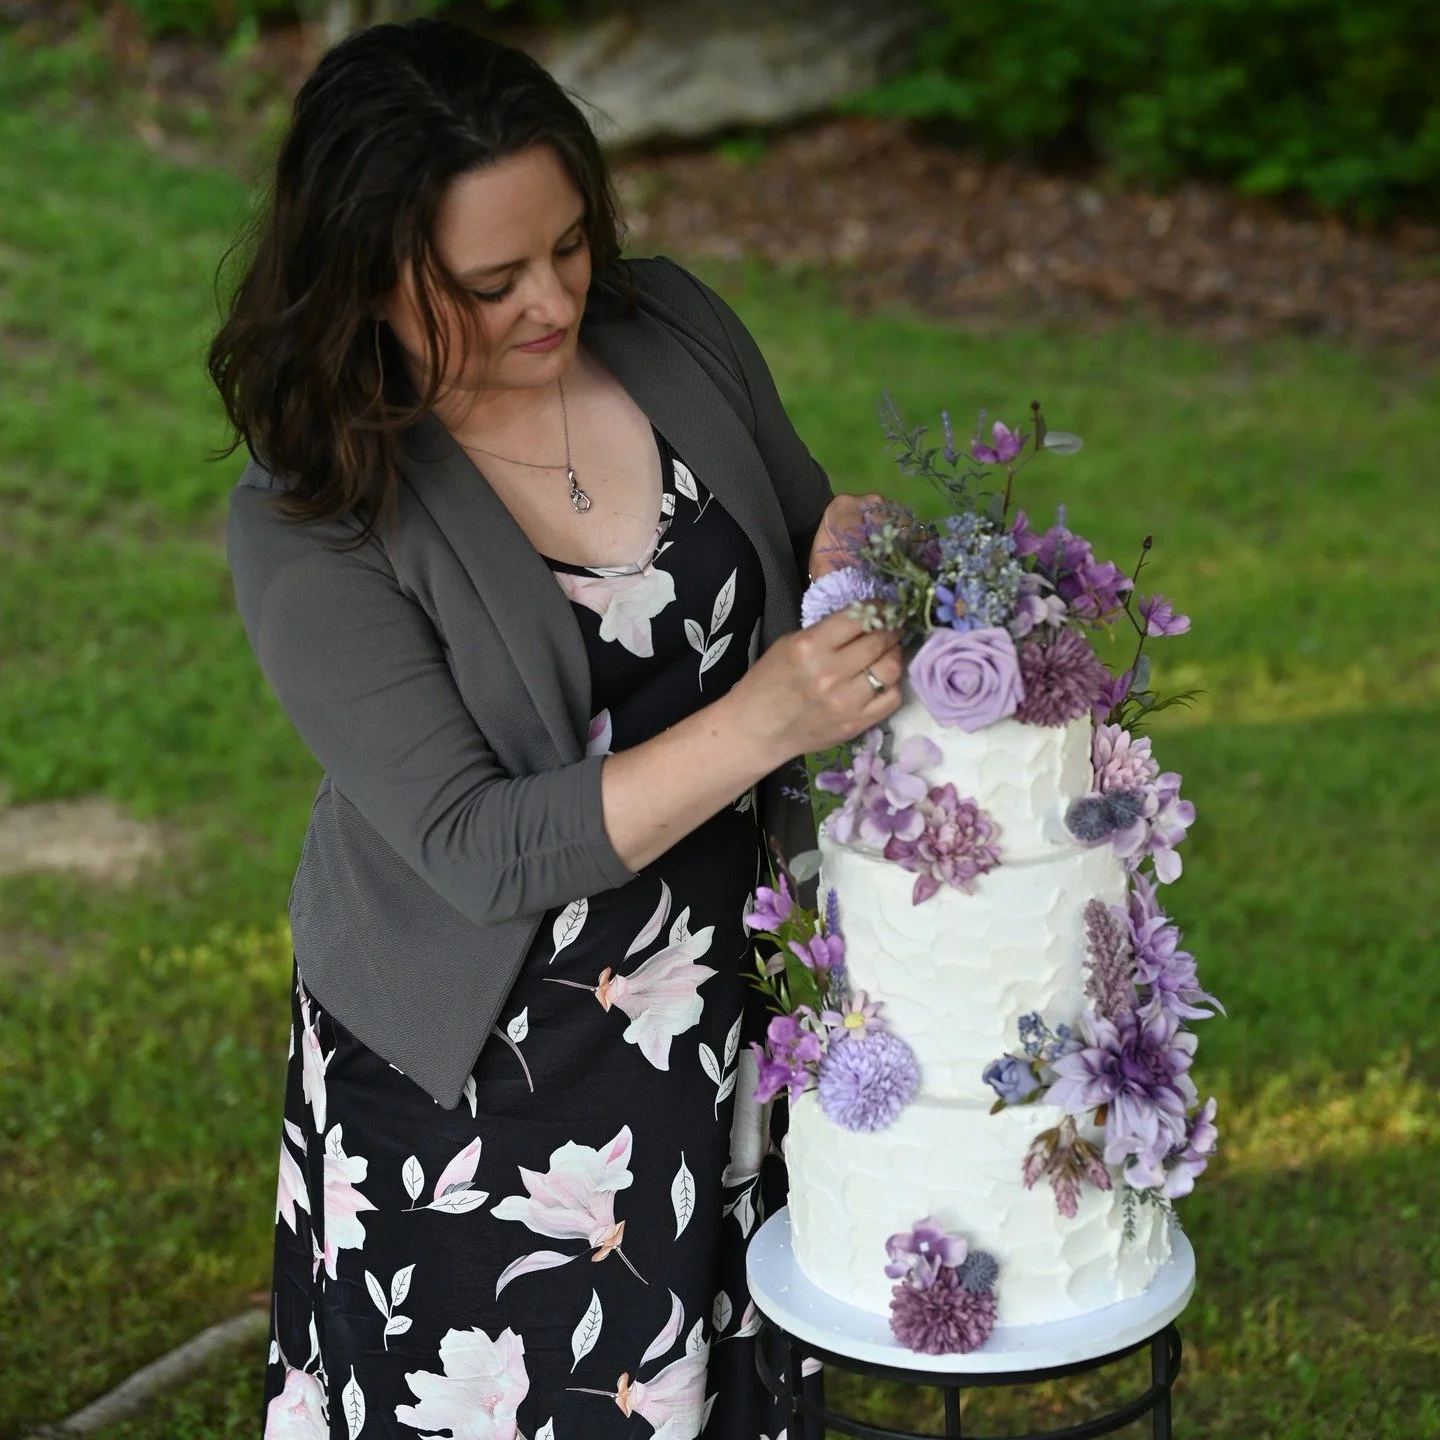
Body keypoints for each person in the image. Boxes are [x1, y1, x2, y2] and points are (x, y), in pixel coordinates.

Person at [212, 17, 901, 1439]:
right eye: (491, 282)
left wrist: (845, 548)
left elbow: (790, 528)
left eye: (571, 245)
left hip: (727, 1004)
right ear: (366, 277)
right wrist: (761, 722)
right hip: (489, 1082)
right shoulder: (316, 514)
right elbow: (477, 846)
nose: (554, 300)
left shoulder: (673, 331)